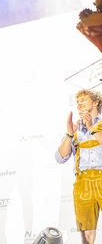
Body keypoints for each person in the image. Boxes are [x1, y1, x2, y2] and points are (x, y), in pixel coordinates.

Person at [55, 89, 102, 244]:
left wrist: (92, 127)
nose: (79, 103)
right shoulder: (75, 129)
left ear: (95, 102)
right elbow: (60, 157)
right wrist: (69, 134)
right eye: (78, 102)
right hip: (83, 184)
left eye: (84, 99)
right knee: (87, 236)